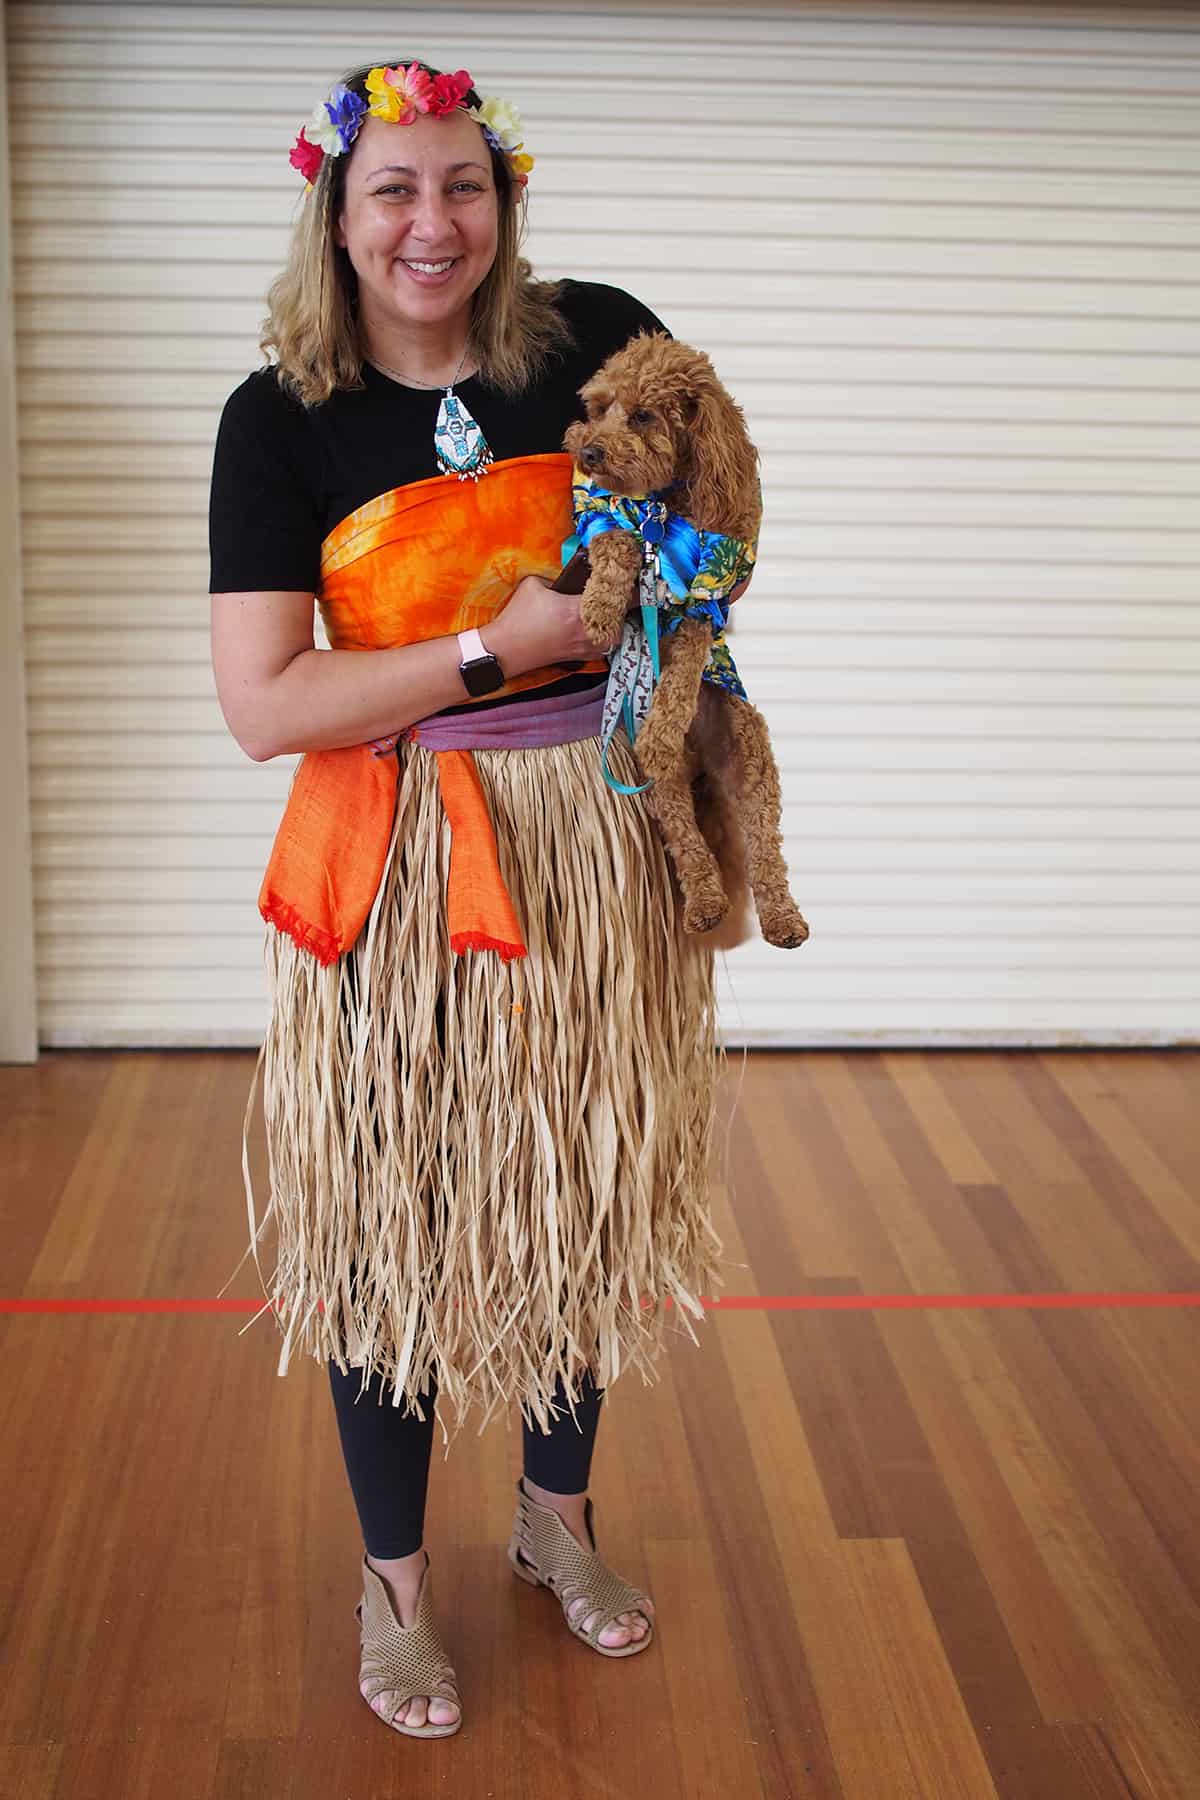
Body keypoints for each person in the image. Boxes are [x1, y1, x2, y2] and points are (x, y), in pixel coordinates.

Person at [208, 57, 732, 1741]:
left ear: (503, 200)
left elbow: (709, 531)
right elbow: (267, 706)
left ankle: (555, 1522)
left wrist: (685, 610)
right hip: (398, 861)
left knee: (578, 1195)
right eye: (394, 192)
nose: (432, 225)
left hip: (595, 835)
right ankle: (395, 1593)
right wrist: (482, 652)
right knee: (394, 1227)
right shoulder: (276, 419)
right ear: (338, 215)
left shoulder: (592, 340)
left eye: (463, 187)